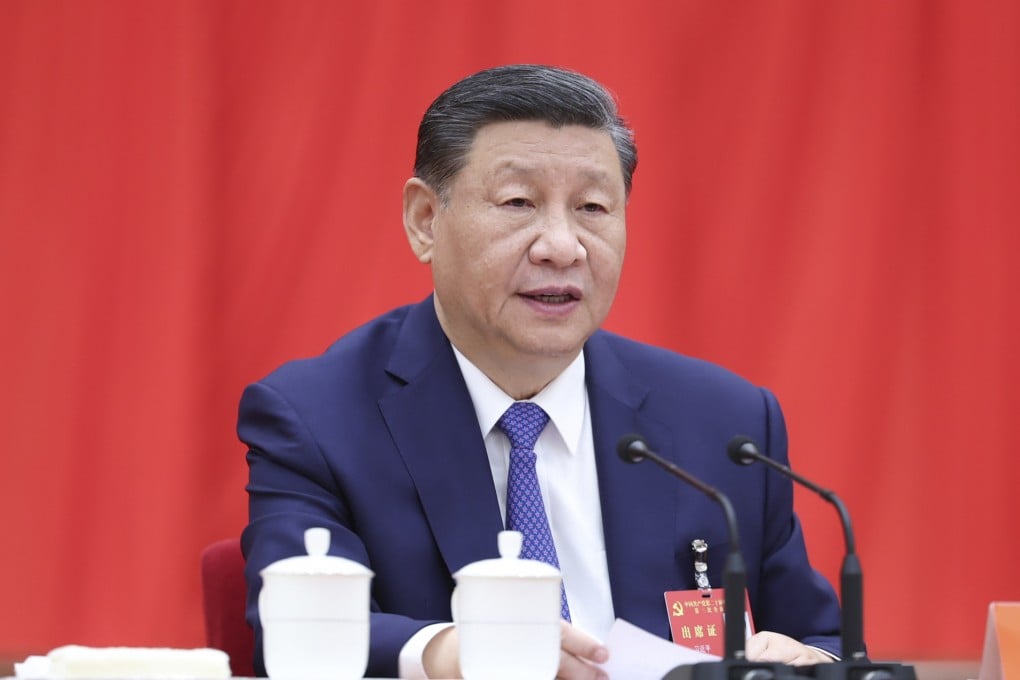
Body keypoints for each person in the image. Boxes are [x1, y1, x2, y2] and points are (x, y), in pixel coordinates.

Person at [239, 64, 841, 679]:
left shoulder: (724, 422)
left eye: (593, 207)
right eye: (519, 202)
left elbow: (820, 634)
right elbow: (295, 630)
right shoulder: (317, 417)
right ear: (425, 220)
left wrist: (810, 660)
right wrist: (451, 653)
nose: (562, 245)